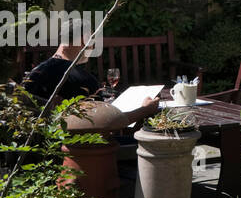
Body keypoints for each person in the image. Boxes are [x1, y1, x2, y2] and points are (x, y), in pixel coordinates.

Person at [22, 23, 160, 125]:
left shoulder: (36, 73)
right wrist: (144, 110)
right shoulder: (81, 80)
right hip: (78, 147)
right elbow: (107, 123)